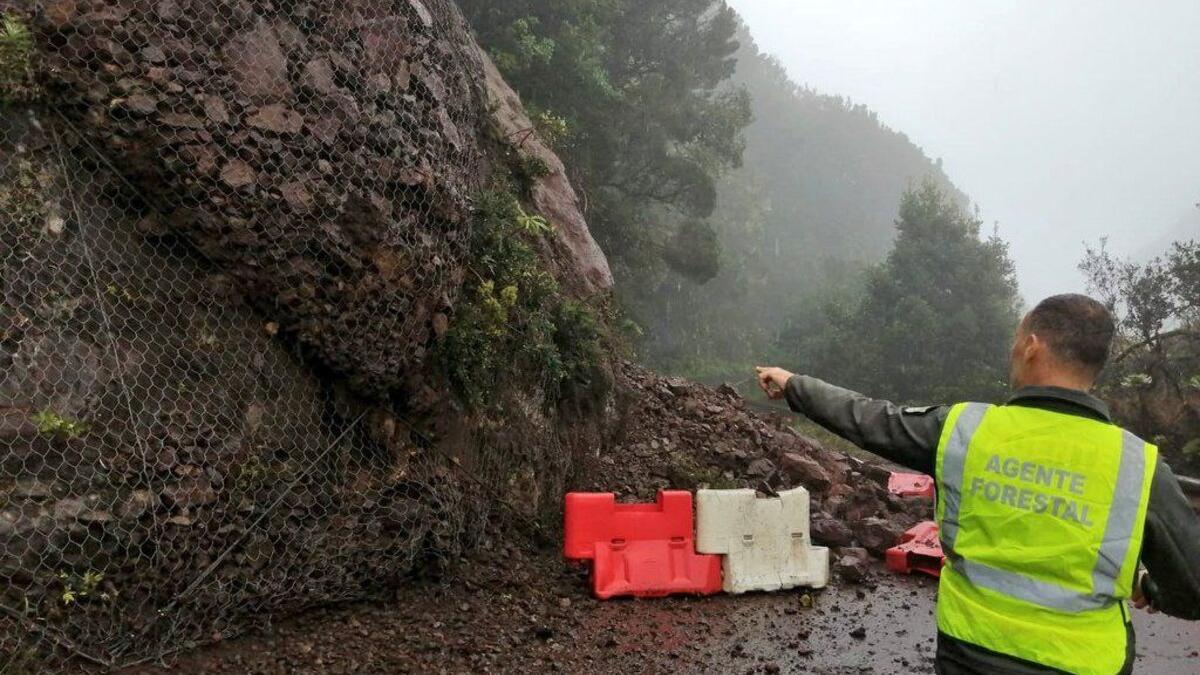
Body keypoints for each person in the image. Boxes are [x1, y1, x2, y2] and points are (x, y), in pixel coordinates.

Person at [755, 294, 1200, 675]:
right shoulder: (1139, 464)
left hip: (970, 653)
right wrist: (1151, 588)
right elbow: (1194, 589)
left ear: (1031, 346)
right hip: (1085, 663)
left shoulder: (967, 430)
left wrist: (795, 384)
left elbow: (872, 420)